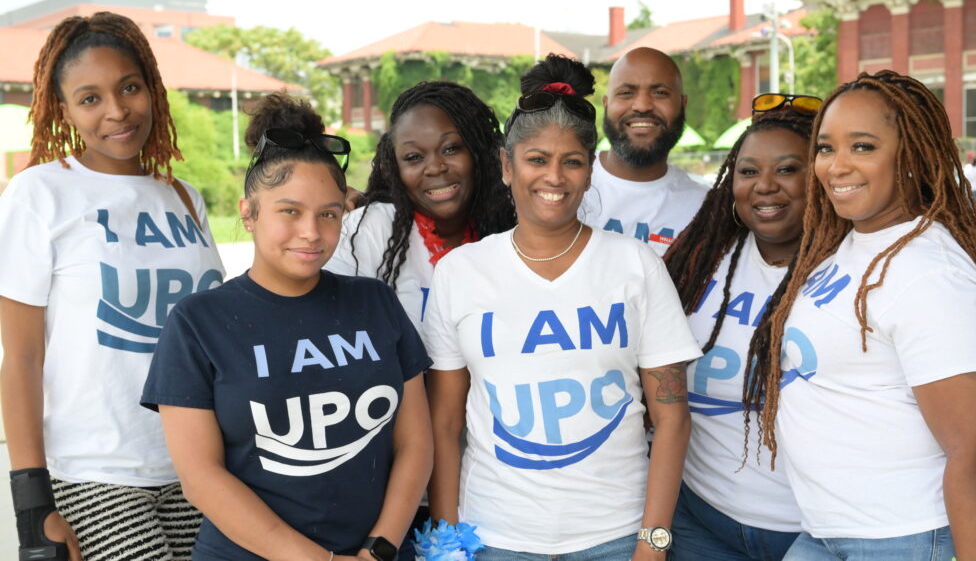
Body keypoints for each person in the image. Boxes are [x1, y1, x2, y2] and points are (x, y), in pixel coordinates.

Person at [424, 54, 703, 560]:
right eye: (536, 160)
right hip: (495, 539)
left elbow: (672, 417)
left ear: (590, 170)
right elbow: (444, 424)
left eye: (571, 161)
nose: (554, 177)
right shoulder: (460, 273)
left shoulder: (635, 265)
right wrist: (447, 542)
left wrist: (653, 542)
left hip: (615, 539)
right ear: (506, 166)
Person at [142, 93, 432, 560]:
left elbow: (416, 442)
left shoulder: (374, 301)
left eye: (329, 214)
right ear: (249, 213)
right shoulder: (198, 323)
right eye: (289, 211)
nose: (311, 232)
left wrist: (379, 549)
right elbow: (201, 479)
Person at [748, 70, 976, 560]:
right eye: (826, 148)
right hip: (834, 531)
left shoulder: (930, 274)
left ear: (912, 156)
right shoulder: (850, 245)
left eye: (863, 146)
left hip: (917, 535)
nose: (837, 166)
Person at [0, 12, 225, 560]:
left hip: (199, 465)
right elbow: (21, 356)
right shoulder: (40, 193)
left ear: (152, 87)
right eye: (90, 98)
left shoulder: (184, 197)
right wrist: (32, 506)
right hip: (98, 472)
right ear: (65, 109)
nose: (117, 111)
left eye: (129, 87)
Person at [664, 94, 821, 561]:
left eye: (788, 169)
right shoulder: (698, 261)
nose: (765, 186)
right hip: (700, 522)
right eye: (749, 171)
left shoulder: (856, 270)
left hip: (815, 533)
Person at [326, 81, 514, 332]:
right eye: (414, 157)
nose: (435, 167)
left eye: (451, 149)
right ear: (395, 167)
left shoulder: (510, 227)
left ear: (479, 152)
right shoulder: (370, 230)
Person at [581, 47, 707, 255]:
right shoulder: (565, 184)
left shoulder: (705, 209)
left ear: (683, 105)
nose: (642, 106)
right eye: (626, 93)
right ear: (606, 104)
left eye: (660, 93)